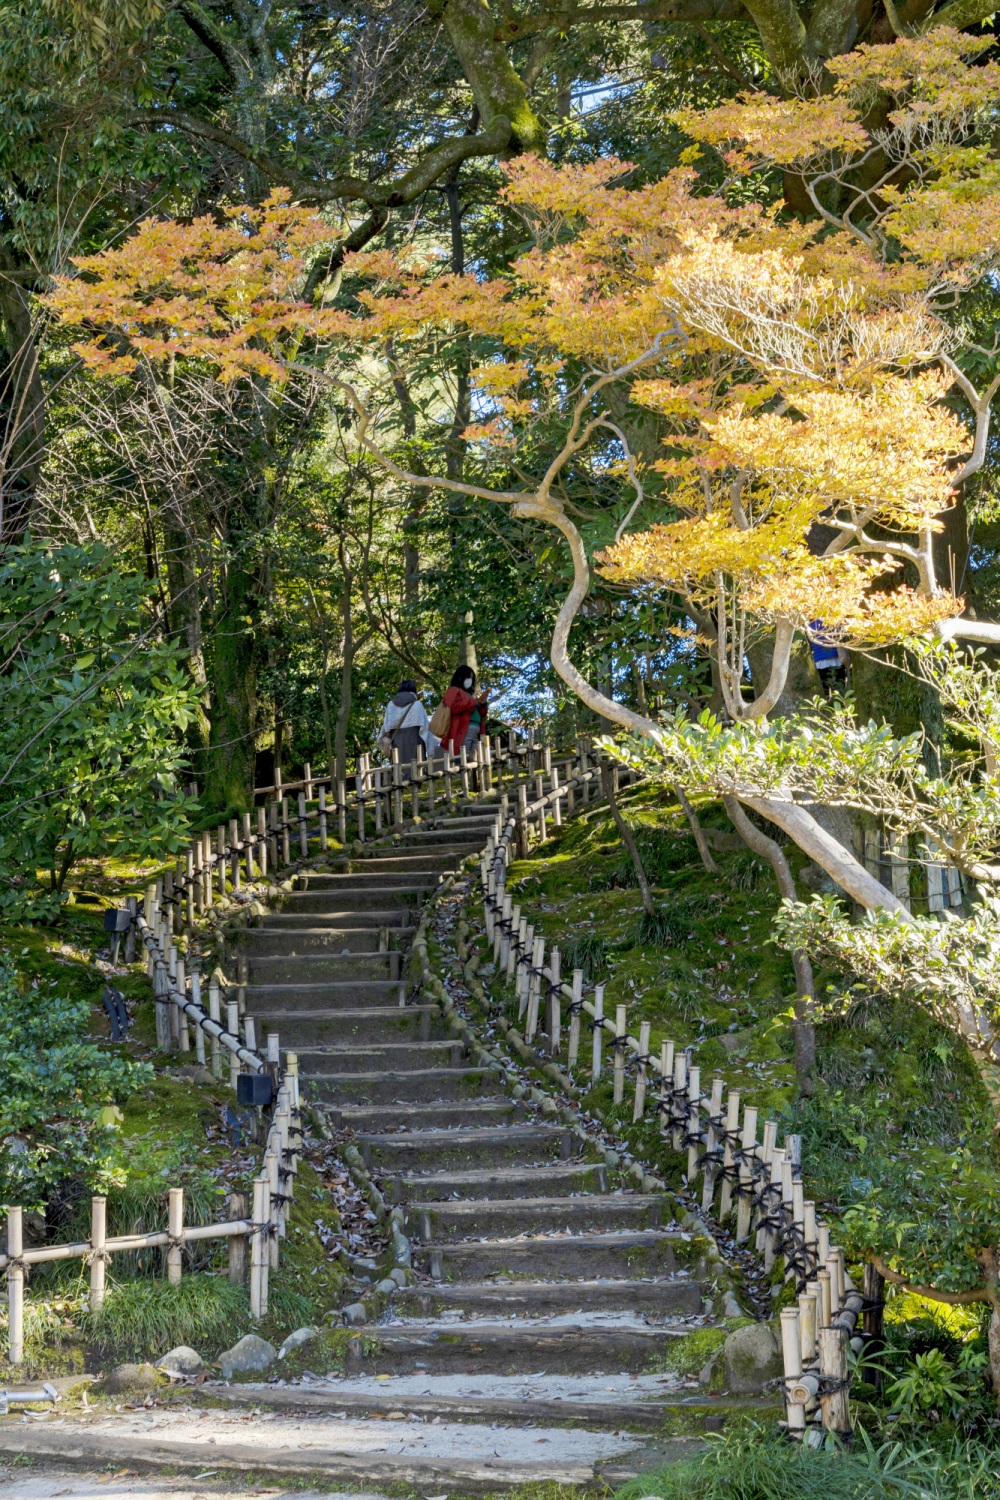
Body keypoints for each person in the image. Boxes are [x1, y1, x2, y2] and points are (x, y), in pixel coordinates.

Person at [378, 679, 436, 772]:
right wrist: (430, 750)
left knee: (399, 770)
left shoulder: (391, 705)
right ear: (414, 691)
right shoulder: (417, 705)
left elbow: (385, 728)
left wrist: (381, 741)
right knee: (416, 770)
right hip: (415, 742)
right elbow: (425, 729)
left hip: (397, 742)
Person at [442, 666, 489, 756]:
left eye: (471, 678)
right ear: (460, 677)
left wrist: (483, 703)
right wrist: (472, 699)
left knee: (476, 758)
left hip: (477, 730)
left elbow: (482, 713)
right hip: (463, 729)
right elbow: (454, 708)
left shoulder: (471, 693)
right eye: (468, 677)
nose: (470, 680)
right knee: (463, 757)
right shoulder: (453, 690)